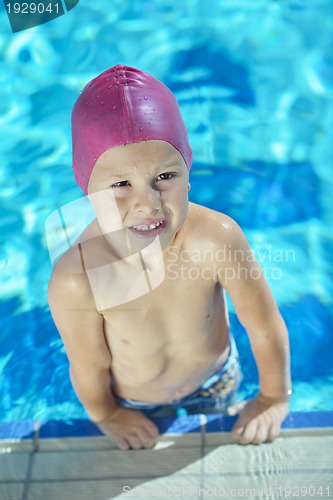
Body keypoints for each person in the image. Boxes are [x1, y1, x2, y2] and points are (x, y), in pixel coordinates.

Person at [48, 64, 291, 450]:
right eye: (120, 185)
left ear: (188, 171)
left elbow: (264, 326)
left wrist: (273, 397)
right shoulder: (78, 278)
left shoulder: (217, 238)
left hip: (216, 381)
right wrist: (107, 414)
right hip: (135, 399)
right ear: (87, 189)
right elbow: (89, 364)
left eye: (165, 177)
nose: (148, 203)